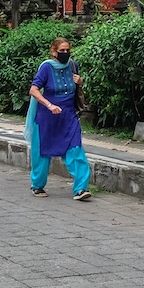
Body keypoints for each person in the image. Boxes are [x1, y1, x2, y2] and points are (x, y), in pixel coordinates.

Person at [26, 38, 92, 201]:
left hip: (68, 117)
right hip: (48, 117)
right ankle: (37, 185)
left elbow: (76, 90)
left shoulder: (73, 66)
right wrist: (49, 105)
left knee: (76, 149)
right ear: (54, 51)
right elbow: (34, 90)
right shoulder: (46, 67)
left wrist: (80, 82)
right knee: (42, 151)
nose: (65, 54)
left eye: (67, 50)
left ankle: (80, 189)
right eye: (61, 51)